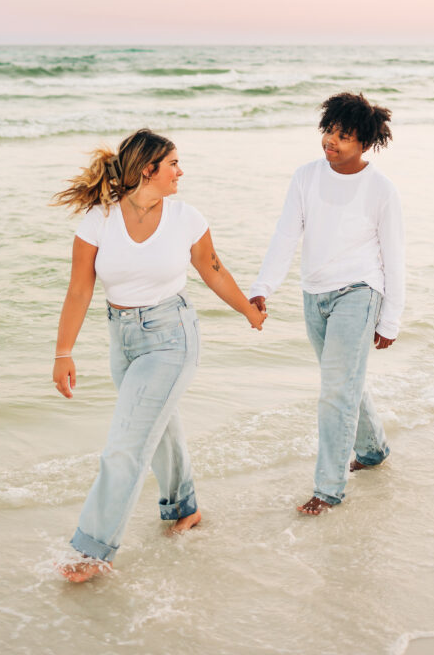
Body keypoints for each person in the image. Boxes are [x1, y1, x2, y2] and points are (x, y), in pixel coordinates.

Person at [52, 128, 266, 581]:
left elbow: (213, 268)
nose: (180, 172)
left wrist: (249, 310)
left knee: (124, 446)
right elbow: (78, 290)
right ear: (147, 169)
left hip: (172, 337)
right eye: (172, 163)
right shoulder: (99, 219)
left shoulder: (186, 217)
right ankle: (184, 509)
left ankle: (93, 548)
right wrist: (63, 353)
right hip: (122, 340)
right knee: (160, 427)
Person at [250, 93, 404, 515]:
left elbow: (394, 257)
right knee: (345, 383)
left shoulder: (381, 190)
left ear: (365, 142)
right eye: (328, 131)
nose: (330, 141)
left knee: (335, 391)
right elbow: (286, 235)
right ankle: (372, 451)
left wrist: (390, 319)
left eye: (343, 135)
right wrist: (264, 285)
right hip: (313, 294)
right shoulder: (306, 177)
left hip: (359, 291)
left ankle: (329, 489)